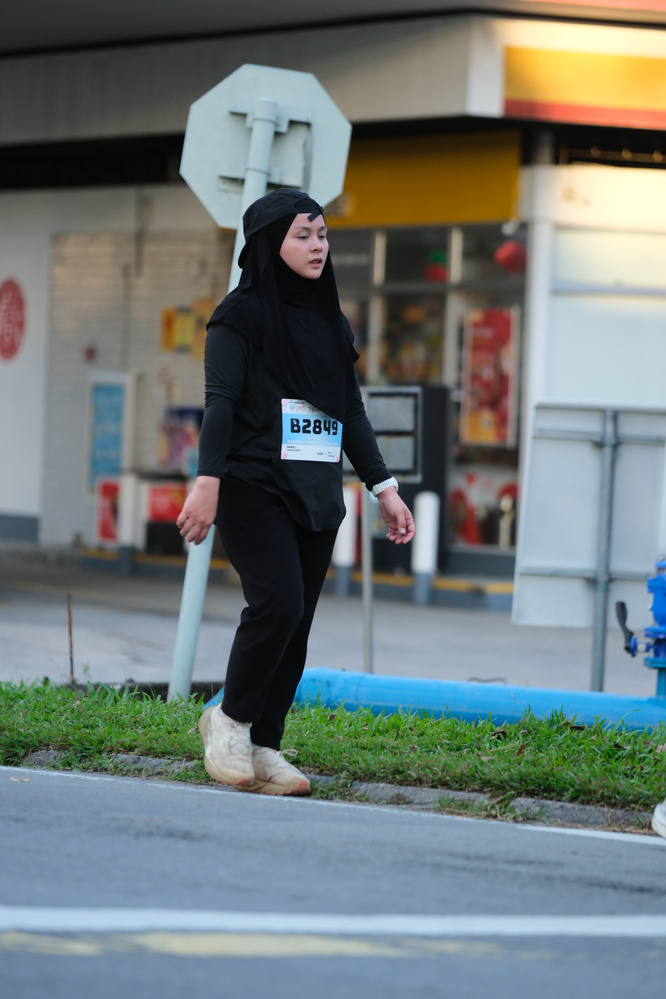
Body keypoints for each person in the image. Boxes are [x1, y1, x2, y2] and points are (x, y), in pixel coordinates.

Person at [176, 188, 415, 797]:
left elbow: (350, 411)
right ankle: (228, 721)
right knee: (277, 604)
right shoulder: (237, 317)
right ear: (268, 244)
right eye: (302, 235)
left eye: (323, 234)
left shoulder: (330, 321)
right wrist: (207, 482)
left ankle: (264, 744)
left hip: (316, 488)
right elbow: (220, 404)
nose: (317, 246)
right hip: (251, 484)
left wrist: (384, 487)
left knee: (297, 623)